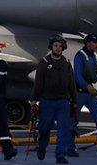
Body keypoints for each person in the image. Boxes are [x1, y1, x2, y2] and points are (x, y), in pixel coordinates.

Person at [32, 35, 79, 164]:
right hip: (47, 101)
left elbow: (71, 84)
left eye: (60, 46)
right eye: (55, 46)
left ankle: (60, 155)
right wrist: (34, 99)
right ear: (51, 47)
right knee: (44, 128)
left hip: (63, 102)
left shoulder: (66, 64)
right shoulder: (44, 62)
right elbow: (38, 82)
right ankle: (42, 146)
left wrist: (74, 101)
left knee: (63, 129)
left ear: (63, 48)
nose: (58, 48)